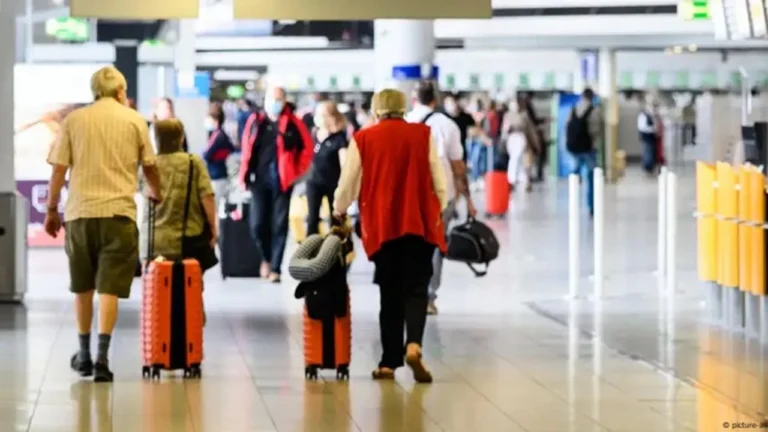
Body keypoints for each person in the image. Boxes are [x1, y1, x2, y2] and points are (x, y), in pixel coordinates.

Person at [44, 65, 162, 382]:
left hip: (80, 214)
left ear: (94, 91)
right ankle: (101, 359)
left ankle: (82, 354)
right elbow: (150, 166)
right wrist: (157, 192)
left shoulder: (74, 120)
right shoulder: (135, 120)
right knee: (108, 289)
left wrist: (52, 210)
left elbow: (58, 170)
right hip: (118, 215)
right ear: (121, 91)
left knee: (82, 287)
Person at [333, 88, 448, 383]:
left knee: (390, 290)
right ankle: (414, 345)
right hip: (420, 222)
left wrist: (339, 209)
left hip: (383, 226)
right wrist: (440, 206)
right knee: (417, 286)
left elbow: (349, 182)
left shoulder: (363, 138)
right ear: (403, 108)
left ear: (376, 109)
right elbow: (439, 179)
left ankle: (388, 362)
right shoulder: (423, 134)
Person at [406, 81, 477, 315]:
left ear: (415, 99)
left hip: (409, 195)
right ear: (434, 100)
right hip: (440, 195)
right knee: (435, 244)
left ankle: (410, 292)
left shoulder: (404, 123)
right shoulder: (447, 125)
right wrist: (468, 199)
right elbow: (458, 167)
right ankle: (428, 296)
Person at [139, 119, 218, 324]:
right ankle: (190, 337)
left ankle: (160, 338)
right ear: (181, 137)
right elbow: (207, 197)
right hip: (187, 239)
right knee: (191, 290)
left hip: (153, 243)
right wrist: (213, 228)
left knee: (156, 292)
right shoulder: (193, 162)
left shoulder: (148, 166)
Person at [239, 87, 314, 282]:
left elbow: (307, 149)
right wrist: (243, 176)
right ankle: (266, 257)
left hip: (282, 181)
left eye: (279, 99)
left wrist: (295, 172)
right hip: (258, 180)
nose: (275, 102)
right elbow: (246, 149)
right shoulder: (256, 122)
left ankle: (276, 268)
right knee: (257, 224)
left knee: (279, 225)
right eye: (272, 98)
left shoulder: (293, 123)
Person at [306, 101, 348, 236]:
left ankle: (336, 251)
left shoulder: (339, 138)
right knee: (312, 219)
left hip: (333, 184)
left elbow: (344, 163)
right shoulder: (313, 134)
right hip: (314, 183)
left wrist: (345, 187)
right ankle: (311, 251)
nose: (317, 117)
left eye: (321, 114)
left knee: (336, 220)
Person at [566, 87, 602, 216]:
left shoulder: (573, 109)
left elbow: (567, 126)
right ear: (592, 97)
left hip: (574, 148)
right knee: (592, 177)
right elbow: (595, 131)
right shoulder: (594, 110)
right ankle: (592, 206)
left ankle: (572, 202)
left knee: (575, 175)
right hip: (588, 148)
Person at [502, 99, 541, 193]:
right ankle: (512, 180)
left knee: (522, 160)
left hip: (521, 138)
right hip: (511, 138)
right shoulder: (507, 115)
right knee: (514, 159)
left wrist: (536, 143)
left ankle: (521, 180)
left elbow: (530, 130)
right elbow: (504, 130)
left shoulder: (524, 115)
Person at [203, 102, 235, 209]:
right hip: (219, 175)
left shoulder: (218, 136)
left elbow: (207, 155)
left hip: (217, 177)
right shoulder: (219, 135)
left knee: (213, 209)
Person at [638, 94, 660, 175]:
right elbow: (642, 127)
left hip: (651, 136)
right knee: (647, 151)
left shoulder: (651, 115)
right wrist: (653, 129)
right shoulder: (643, 115)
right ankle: (647, 166)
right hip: (647, 136)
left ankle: (651, 166)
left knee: (651, 151)